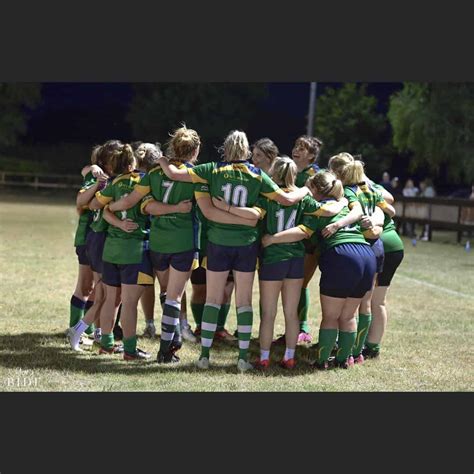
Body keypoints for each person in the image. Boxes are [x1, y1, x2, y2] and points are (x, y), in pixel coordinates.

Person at [157, 130, 311, 371]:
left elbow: (173, 173)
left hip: (218, 242)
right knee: (244, 301)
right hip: (246, 245)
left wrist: (162, 160)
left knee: (213, 300)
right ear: (248, 151)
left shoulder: (211, 169)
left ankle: (204, 357)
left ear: (225, 148)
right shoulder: (257, 174)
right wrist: (305, 190)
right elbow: (286, 200)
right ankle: (241, 359)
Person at [262, 170, 377, 369]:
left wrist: (272, 239)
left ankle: (323, 360)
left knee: (331, 316)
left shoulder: (317, 208)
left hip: (342, 255)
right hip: (367, 255)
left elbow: (303, 232)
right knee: (349, 315)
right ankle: (344, 360)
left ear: (315, 189)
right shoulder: (348, 204)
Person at [247, 157, 345, 369]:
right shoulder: (304, 199)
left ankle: (264, 358)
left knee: (268, 313)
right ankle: (289, 357)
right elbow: (326, 212)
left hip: (273, 259)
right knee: (292, 313)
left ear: (274, 173)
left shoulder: (266, 197)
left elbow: (255, 221)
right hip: (296, 260)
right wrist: (344, 202)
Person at [88, 143, 156, 361]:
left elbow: (94, 206)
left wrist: (116, 221)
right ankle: (129, 350)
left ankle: (106, 344)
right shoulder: (143, 181)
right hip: (133, 251)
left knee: (110, 299)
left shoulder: (114, 183)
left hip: (111, 250)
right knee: (128, 303)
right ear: (132, 163)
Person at [328, 153, 396, 364]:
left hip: (359, 246)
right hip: (376, 247)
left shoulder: (348, 192)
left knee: (348, 305)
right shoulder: (372, 190)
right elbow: (391, 209)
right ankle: (357, 351)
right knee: (365, 304)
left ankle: (347, 349)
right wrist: (378, 219)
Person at [363, 182, 404, 359]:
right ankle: (372, 346)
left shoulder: (354, 192)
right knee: (378, 301)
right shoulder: (375, 188)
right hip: (395, 245)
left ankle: (356, 344)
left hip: (379, 246)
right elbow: (391, 202)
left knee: (363, 301)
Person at [289, 135, 323, 344]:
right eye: (296, 146)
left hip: (309, 238)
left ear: (311, 155)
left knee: (300, 283)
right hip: (290, 235)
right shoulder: (289, 172)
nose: (297, 150)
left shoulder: (316, 176)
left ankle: (302, 328)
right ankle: (293, 328)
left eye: (303, 148)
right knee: (290, 285)